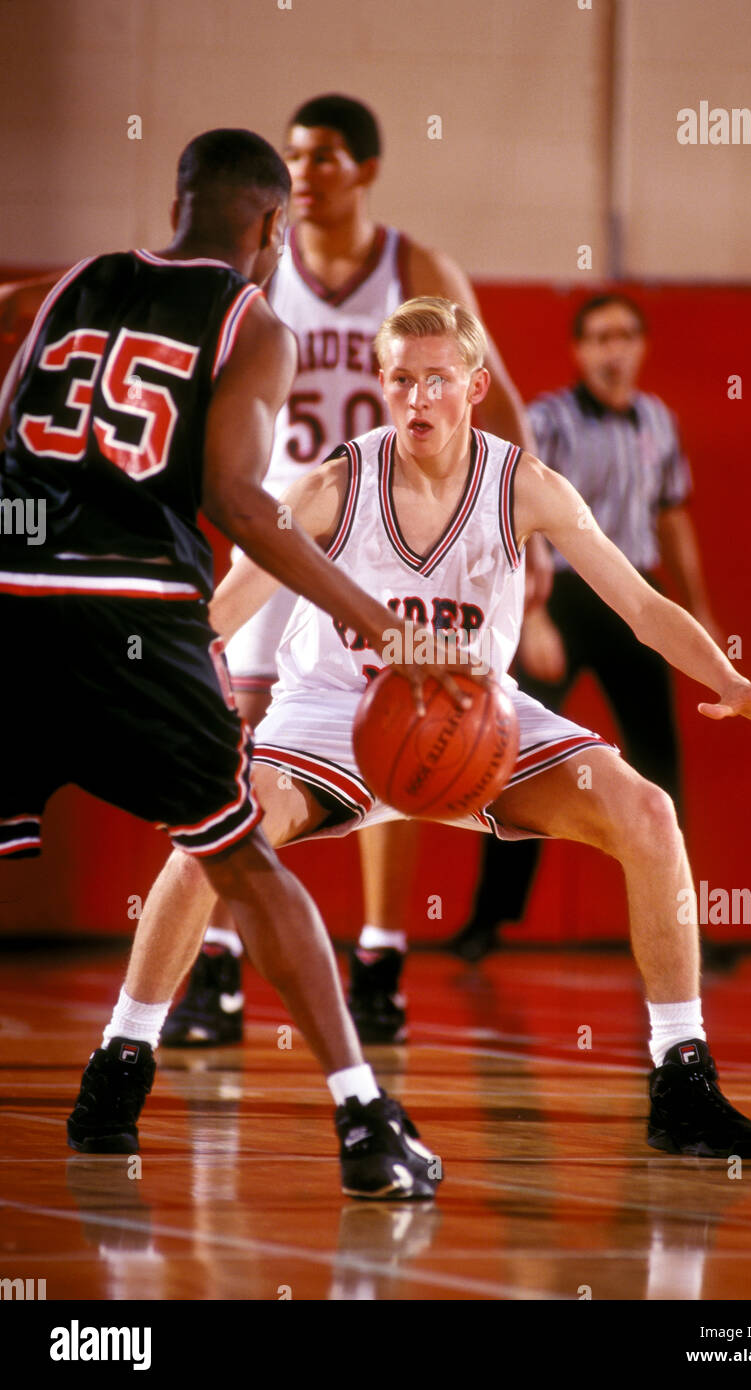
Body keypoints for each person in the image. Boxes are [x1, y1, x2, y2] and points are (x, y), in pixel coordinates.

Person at [117, 296, 751, 1161]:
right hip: (335, 716)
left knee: (647, 814)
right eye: (401, 381)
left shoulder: (525, 484)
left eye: (438, 381)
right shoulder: (333, 485)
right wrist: (148, 678)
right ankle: (122, 1058)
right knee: (209, 835)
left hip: (473, 718)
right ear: (380, 387)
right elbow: (223, 613)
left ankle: (682, 1077)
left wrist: (732, 681)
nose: (418, 399)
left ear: (475, 386)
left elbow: (639, 606)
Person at [0, 130, 460, 1199]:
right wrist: (383, 626)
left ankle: (117, 1084)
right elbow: (240, 504)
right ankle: (363, 1120)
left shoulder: (66, 285)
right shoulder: (252, 320)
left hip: (12, 601)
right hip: (132, 612)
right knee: (238, 856)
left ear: (180, 202)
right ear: (270, 227)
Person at [155, 93, 547, 1048]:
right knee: (233, 742)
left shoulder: (414, 268)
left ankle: (379, 957)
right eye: (293, 156)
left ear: (366, 168)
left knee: (415, 730)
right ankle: (218, 969)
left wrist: (524, 556)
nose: (305, 171)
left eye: (324, 156)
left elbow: (500, 405)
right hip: (278, 519)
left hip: (389, 522)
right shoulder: (256, 264)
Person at [451, 292, 724, 960]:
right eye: (599, 338)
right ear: (579, 351)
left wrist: (701, 610)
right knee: (512, 756)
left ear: (640, 347)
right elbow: (512, 513)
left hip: (635, 596)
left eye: (625, 336)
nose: (613, 349)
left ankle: (684, 926)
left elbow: (674, 515)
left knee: (658, 766)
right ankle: (487, 923)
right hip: (564, 595)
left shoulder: (657, 421)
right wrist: (535, 613)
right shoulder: (545, 419)